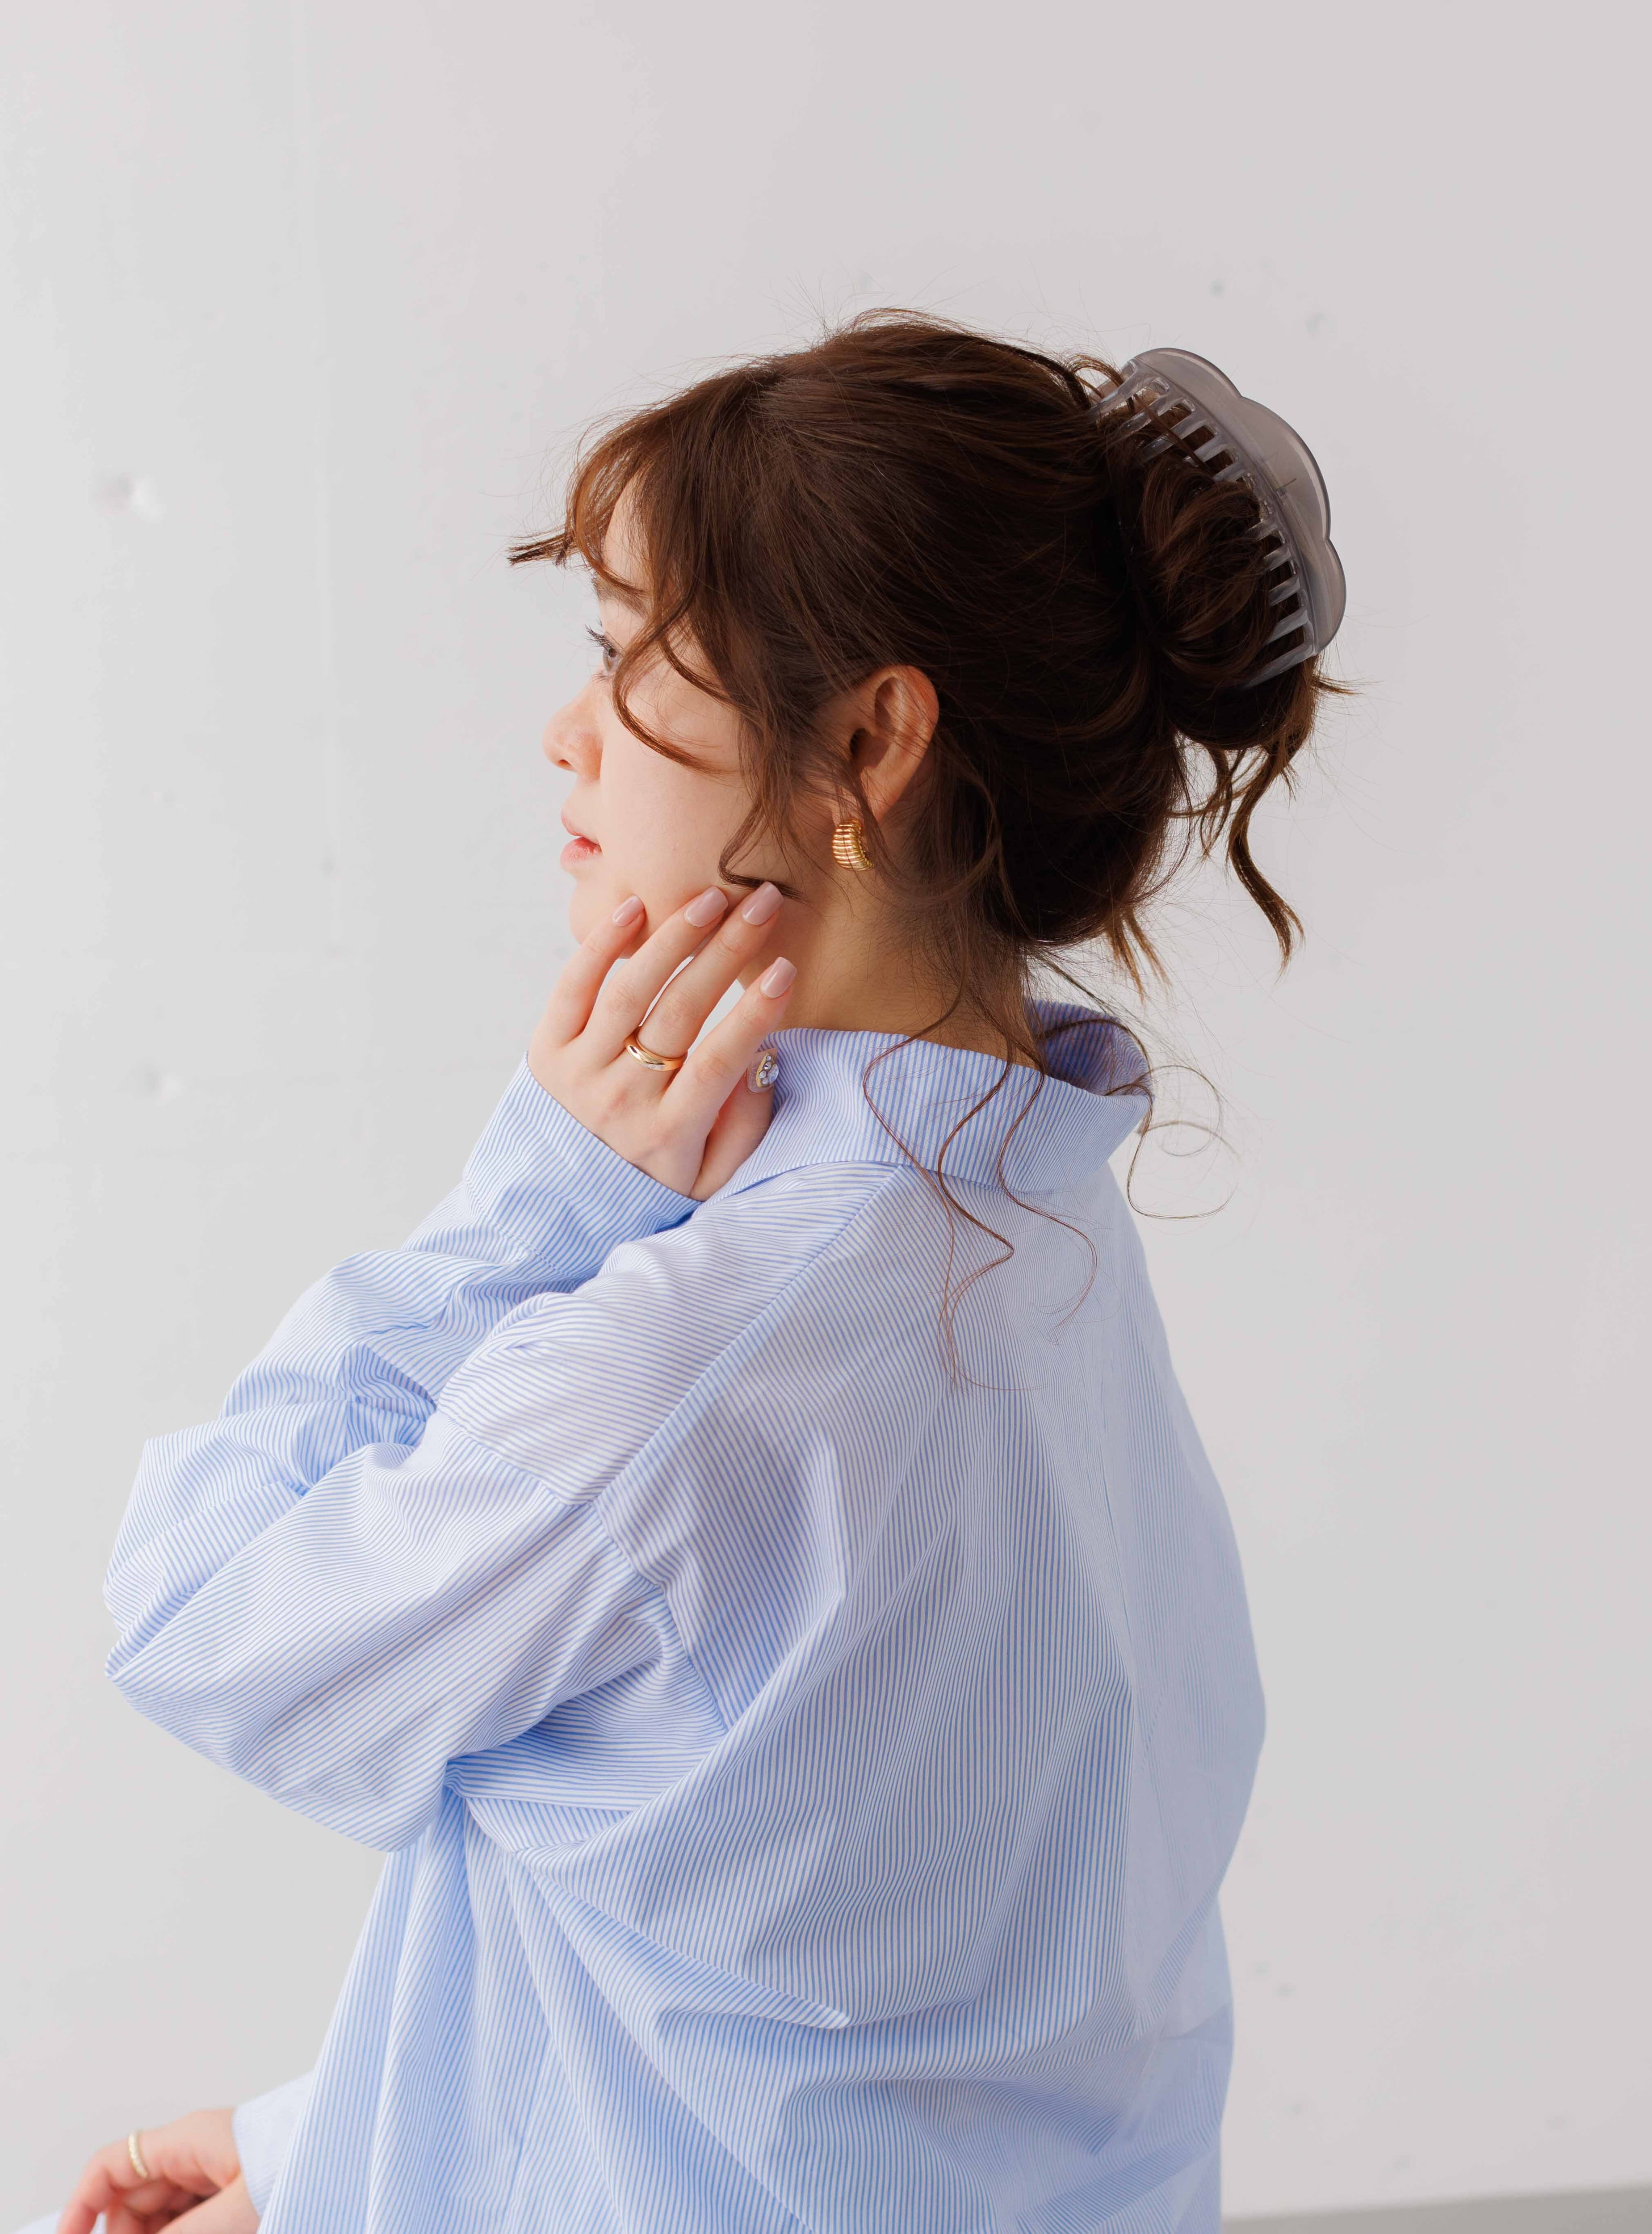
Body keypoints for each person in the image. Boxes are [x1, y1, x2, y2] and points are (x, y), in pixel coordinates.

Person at [29, 310, 1346, 2234]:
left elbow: (201, 1612)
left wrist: (543, 1194)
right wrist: (331, 2147)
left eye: (627, 649)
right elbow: (825, 1938)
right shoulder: (1045, 1221)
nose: (566, 730)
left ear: (867, 744)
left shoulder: (704, 1355)